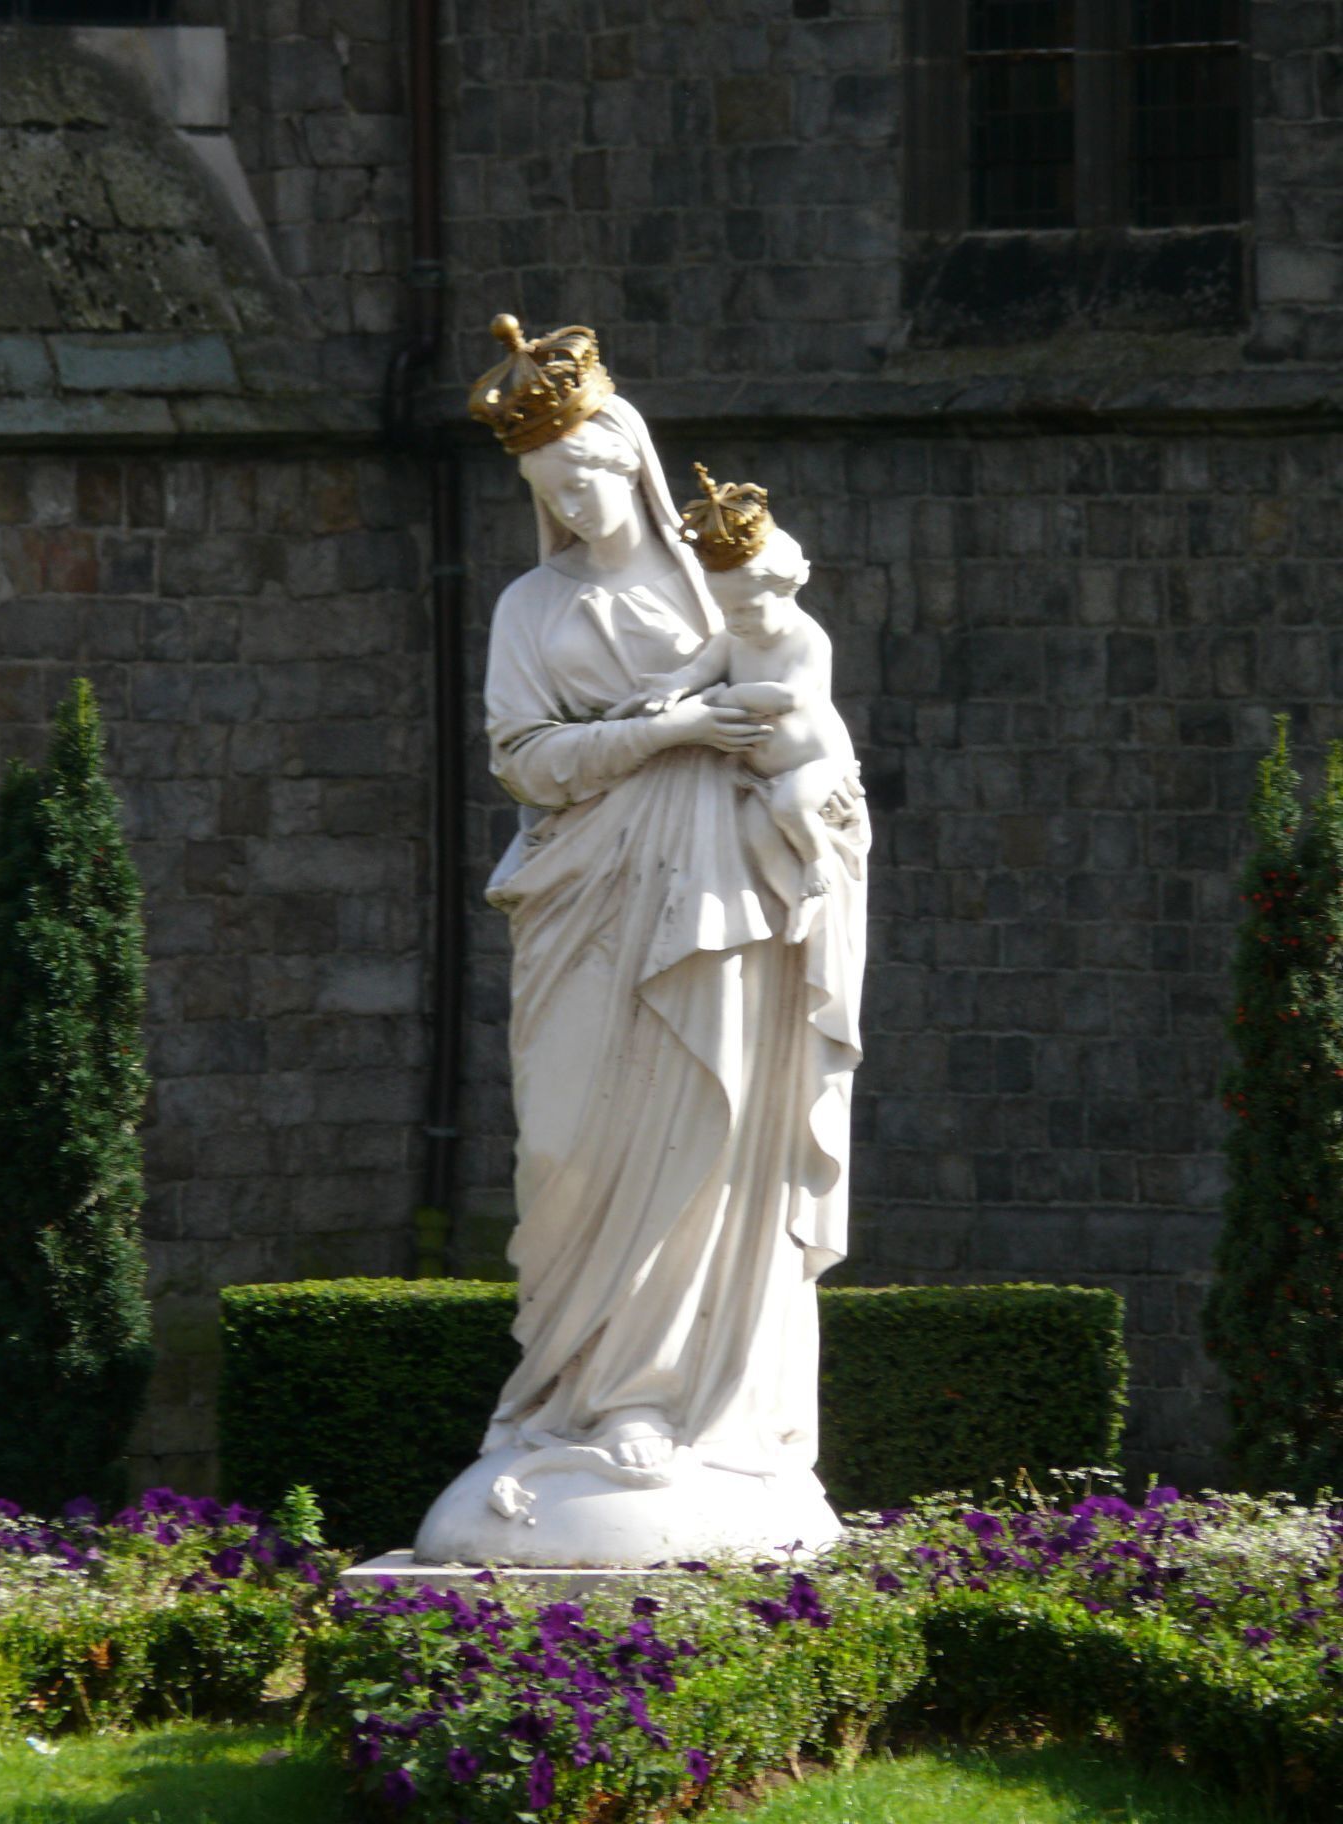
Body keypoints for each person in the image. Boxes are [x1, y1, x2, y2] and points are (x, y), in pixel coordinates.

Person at [415, 317, 869, 1563]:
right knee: (563, 1146)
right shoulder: (524, 607)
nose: (571, 501)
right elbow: (525, 761)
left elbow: (801, 705)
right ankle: (564, 1395)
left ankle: (657, 1406)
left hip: (719, 892)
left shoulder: (714, 582)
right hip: (584, 895)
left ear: (633, 465)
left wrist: (774, 712)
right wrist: (666, 730)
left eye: (587, 477)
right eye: (548, 488)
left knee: (706, 1142)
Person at [607, 463, 858, 945]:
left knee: (789, 806)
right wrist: (674, 687)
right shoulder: (733, 637)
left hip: (817, 762)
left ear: (784, 589)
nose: (735, 621)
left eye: (747, 608)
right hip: (760, 774)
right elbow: (699, 669)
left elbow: (790, 697)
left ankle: (818, 863)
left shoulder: (807, 639)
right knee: (756, 836)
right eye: (726, 610)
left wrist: (728, 696)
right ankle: (799, 904)